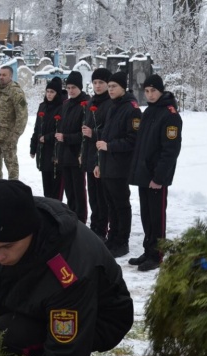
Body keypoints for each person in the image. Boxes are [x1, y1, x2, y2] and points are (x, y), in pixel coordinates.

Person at [0, 180, 133, 356]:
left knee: (13, 332)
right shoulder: (6, 231)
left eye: (5, 247)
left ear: (29, 231)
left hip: (100, 317)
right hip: (43, 298)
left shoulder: (69, 271)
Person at [128, 74, 182, 272]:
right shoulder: (150, 111)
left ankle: (157, 254)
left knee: (156, 217)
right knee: (146, 215)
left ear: (161, 91)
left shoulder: (170, 115)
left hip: (156, 177)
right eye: (147, 91)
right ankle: (148, 249)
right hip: (144, 174)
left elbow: (170, 150)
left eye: (153, 91)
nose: (150, 95)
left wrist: (159, 178)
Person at [94, 71, 141, 258]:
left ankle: (122, 241)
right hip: (107, 165)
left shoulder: (131, 108)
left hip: (120, 166)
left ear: (123, 87)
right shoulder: (113, 106)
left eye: (114, 86)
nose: (110, 89)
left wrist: (109, 146)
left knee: (121, 205)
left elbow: (133, 140)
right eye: (110, 86)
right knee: (110, 204)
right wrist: (99, 163)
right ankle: (112, 238)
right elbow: (105, 134)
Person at [82, 68, 113, 241]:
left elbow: (109, 131)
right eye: (95, 82)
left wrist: (93, 133)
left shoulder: (110, 103)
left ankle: (102, 229)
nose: (98, 86)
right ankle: (95, 226)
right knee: (93, 196)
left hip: (101, 156)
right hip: (90, 155)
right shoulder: (91, 102)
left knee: (102, 197)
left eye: (101, 82)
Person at [55, 71, 91, 223]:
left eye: (74, 87)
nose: (70, 91)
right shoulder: (66, 104)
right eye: (68, 87)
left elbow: (83, 133)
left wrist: (66, 138)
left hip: (77, 154)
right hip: (65, 154)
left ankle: (81, 218)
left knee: (78, 189)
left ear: (80, 88)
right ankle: (72, 216)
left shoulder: (86, 104)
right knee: (69, 190)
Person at [0, 65, 27, 180]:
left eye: (4, 75)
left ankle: (13, 190)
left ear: (10, 76)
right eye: (0, 75)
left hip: (8, 136)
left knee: (11, 166)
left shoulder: (16, 92)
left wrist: (15, 135)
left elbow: (22, 115)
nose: (1, 77)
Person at [30, 76, 64, 200]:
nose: (49, 94)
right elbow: (37, 128)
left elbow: (61, 129)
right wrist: (33, 147)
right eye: (48, 91)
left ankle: (57, 211)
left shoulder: (62, 107)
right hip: (43, 151)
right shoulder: (42, 106)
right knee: (47, 186)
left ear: (57, 93)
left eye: (52, 92)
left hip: (55, 151)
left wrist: (48, 138)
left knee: (56, 187)